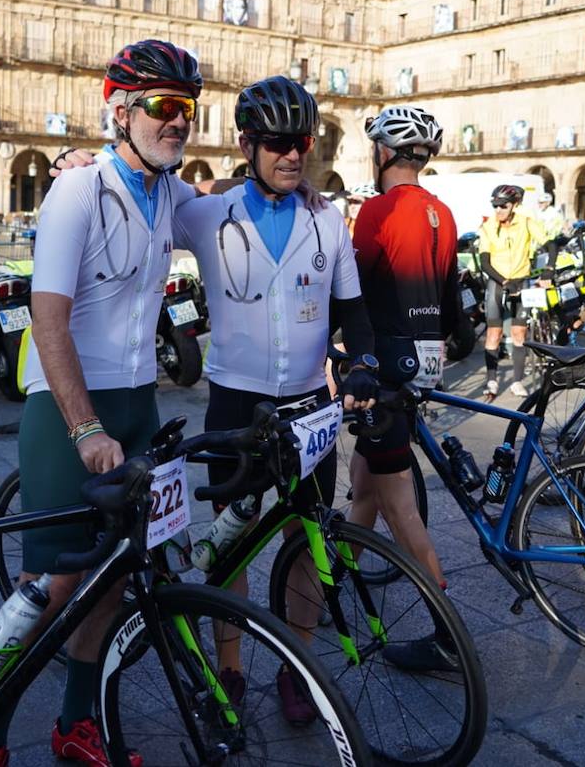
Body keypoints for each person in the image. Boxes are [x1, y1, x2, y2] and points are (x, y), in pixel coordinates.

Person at [0, 39, 206, 767]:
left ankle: (77, 723)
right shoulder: (79, 188)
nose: (178, 123)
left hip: (136, 403)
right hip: (66, 409)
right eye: (164, 108)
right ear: (121, 111)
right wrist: (83, 429)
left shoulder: (172, 193)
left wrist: (301, 189)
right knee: (52, 584)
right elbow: (49, 318)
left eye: (187, 111)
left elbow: (242, 209)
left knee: (113, 578)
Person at [170, 76, 380, 720]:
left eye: (302, 142)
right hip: (236, 404)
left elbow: (353, 309)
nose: (293, 155)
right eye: (277, 144)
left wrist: (365, 364)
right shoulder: (206, 213)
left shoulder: (327, 218)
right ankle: (229, 668)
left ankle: (299, 663)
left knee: (305, 537)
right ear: (246, 144)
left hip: (309, 408)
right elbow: (144, 190)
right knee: (231, 542)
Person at [349, 104, 463, 670]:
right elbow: (448, 300)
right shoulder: (442, 211)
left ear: (384, 152)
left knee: (398, 504)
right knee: (364, 478)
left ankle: (448, 633)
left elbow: (354, 289)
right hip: (427, 359)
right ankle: (342, 573)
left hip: (385, 366)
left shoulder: (377, 210)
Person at [477, 183, 549, 397]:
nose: (498, 210)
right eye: (495, 206)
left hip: (522, 281)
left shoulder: (526, 223)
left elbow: (550, 244)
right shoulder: (488, 226)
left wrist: (549, 271)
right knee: (494, 333)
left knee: (519, 333)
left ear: (514, 205)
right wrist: (505, 282)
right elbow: (484, 263)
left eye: (503, 206)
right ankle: (491, 381)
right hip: (498, 283)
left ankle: (517, 381)